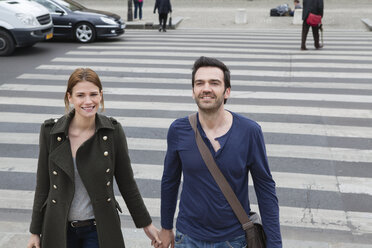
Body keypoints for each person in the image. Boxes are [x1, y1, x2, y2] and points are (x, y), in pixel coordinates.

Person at [27, 68, 161, 248]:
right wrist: (35, 232)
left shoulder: (112, 131)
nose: (88, 101)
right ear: (70, 97)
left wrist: (146, 224)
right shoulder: (51, 132)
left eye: (93, 94)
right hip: (59, 228)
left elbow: (127, 183)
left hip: (98, 229)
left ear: (101, 96)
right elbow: (43, 184)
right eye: (80, 95)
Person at [157, 56, 282, 248]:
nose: (206, 88)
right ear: (193, 91)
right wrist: (166, 228)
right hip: (187, 238)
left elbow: (265, 187)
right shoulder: (178, 130)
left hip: (233, 239)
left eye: (214, 83)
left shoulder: (250, 131)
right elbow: (169, 181)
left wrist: (274, 244)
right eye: (200, 83)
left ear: (227, 92)